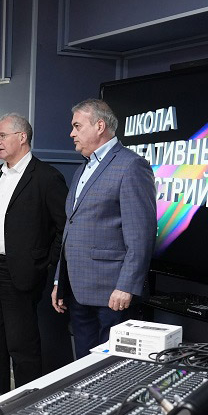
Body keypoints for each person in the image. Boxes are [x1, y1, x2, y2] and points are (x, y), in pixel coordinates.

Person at [52, 98, 157, 356]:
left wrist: (127, 286)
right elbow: (71, 229)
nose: (71, 133)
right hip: (78, 291)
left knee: (109, 368)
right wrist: (59, 280)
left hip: (113, 295)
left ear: (99, 126)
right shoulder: (83, 168)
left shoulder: (131, 166)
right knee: (83, 364)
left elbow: (141, 236)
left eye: (77, 126)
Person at [0, 113, 67, 393]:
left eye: (2, 136)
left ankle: (26, 405)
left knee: (22, 346)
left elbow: (64, 228)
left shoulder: (47, 177)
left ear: (22, 137)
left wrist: (45, 265)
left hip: (21, 273)